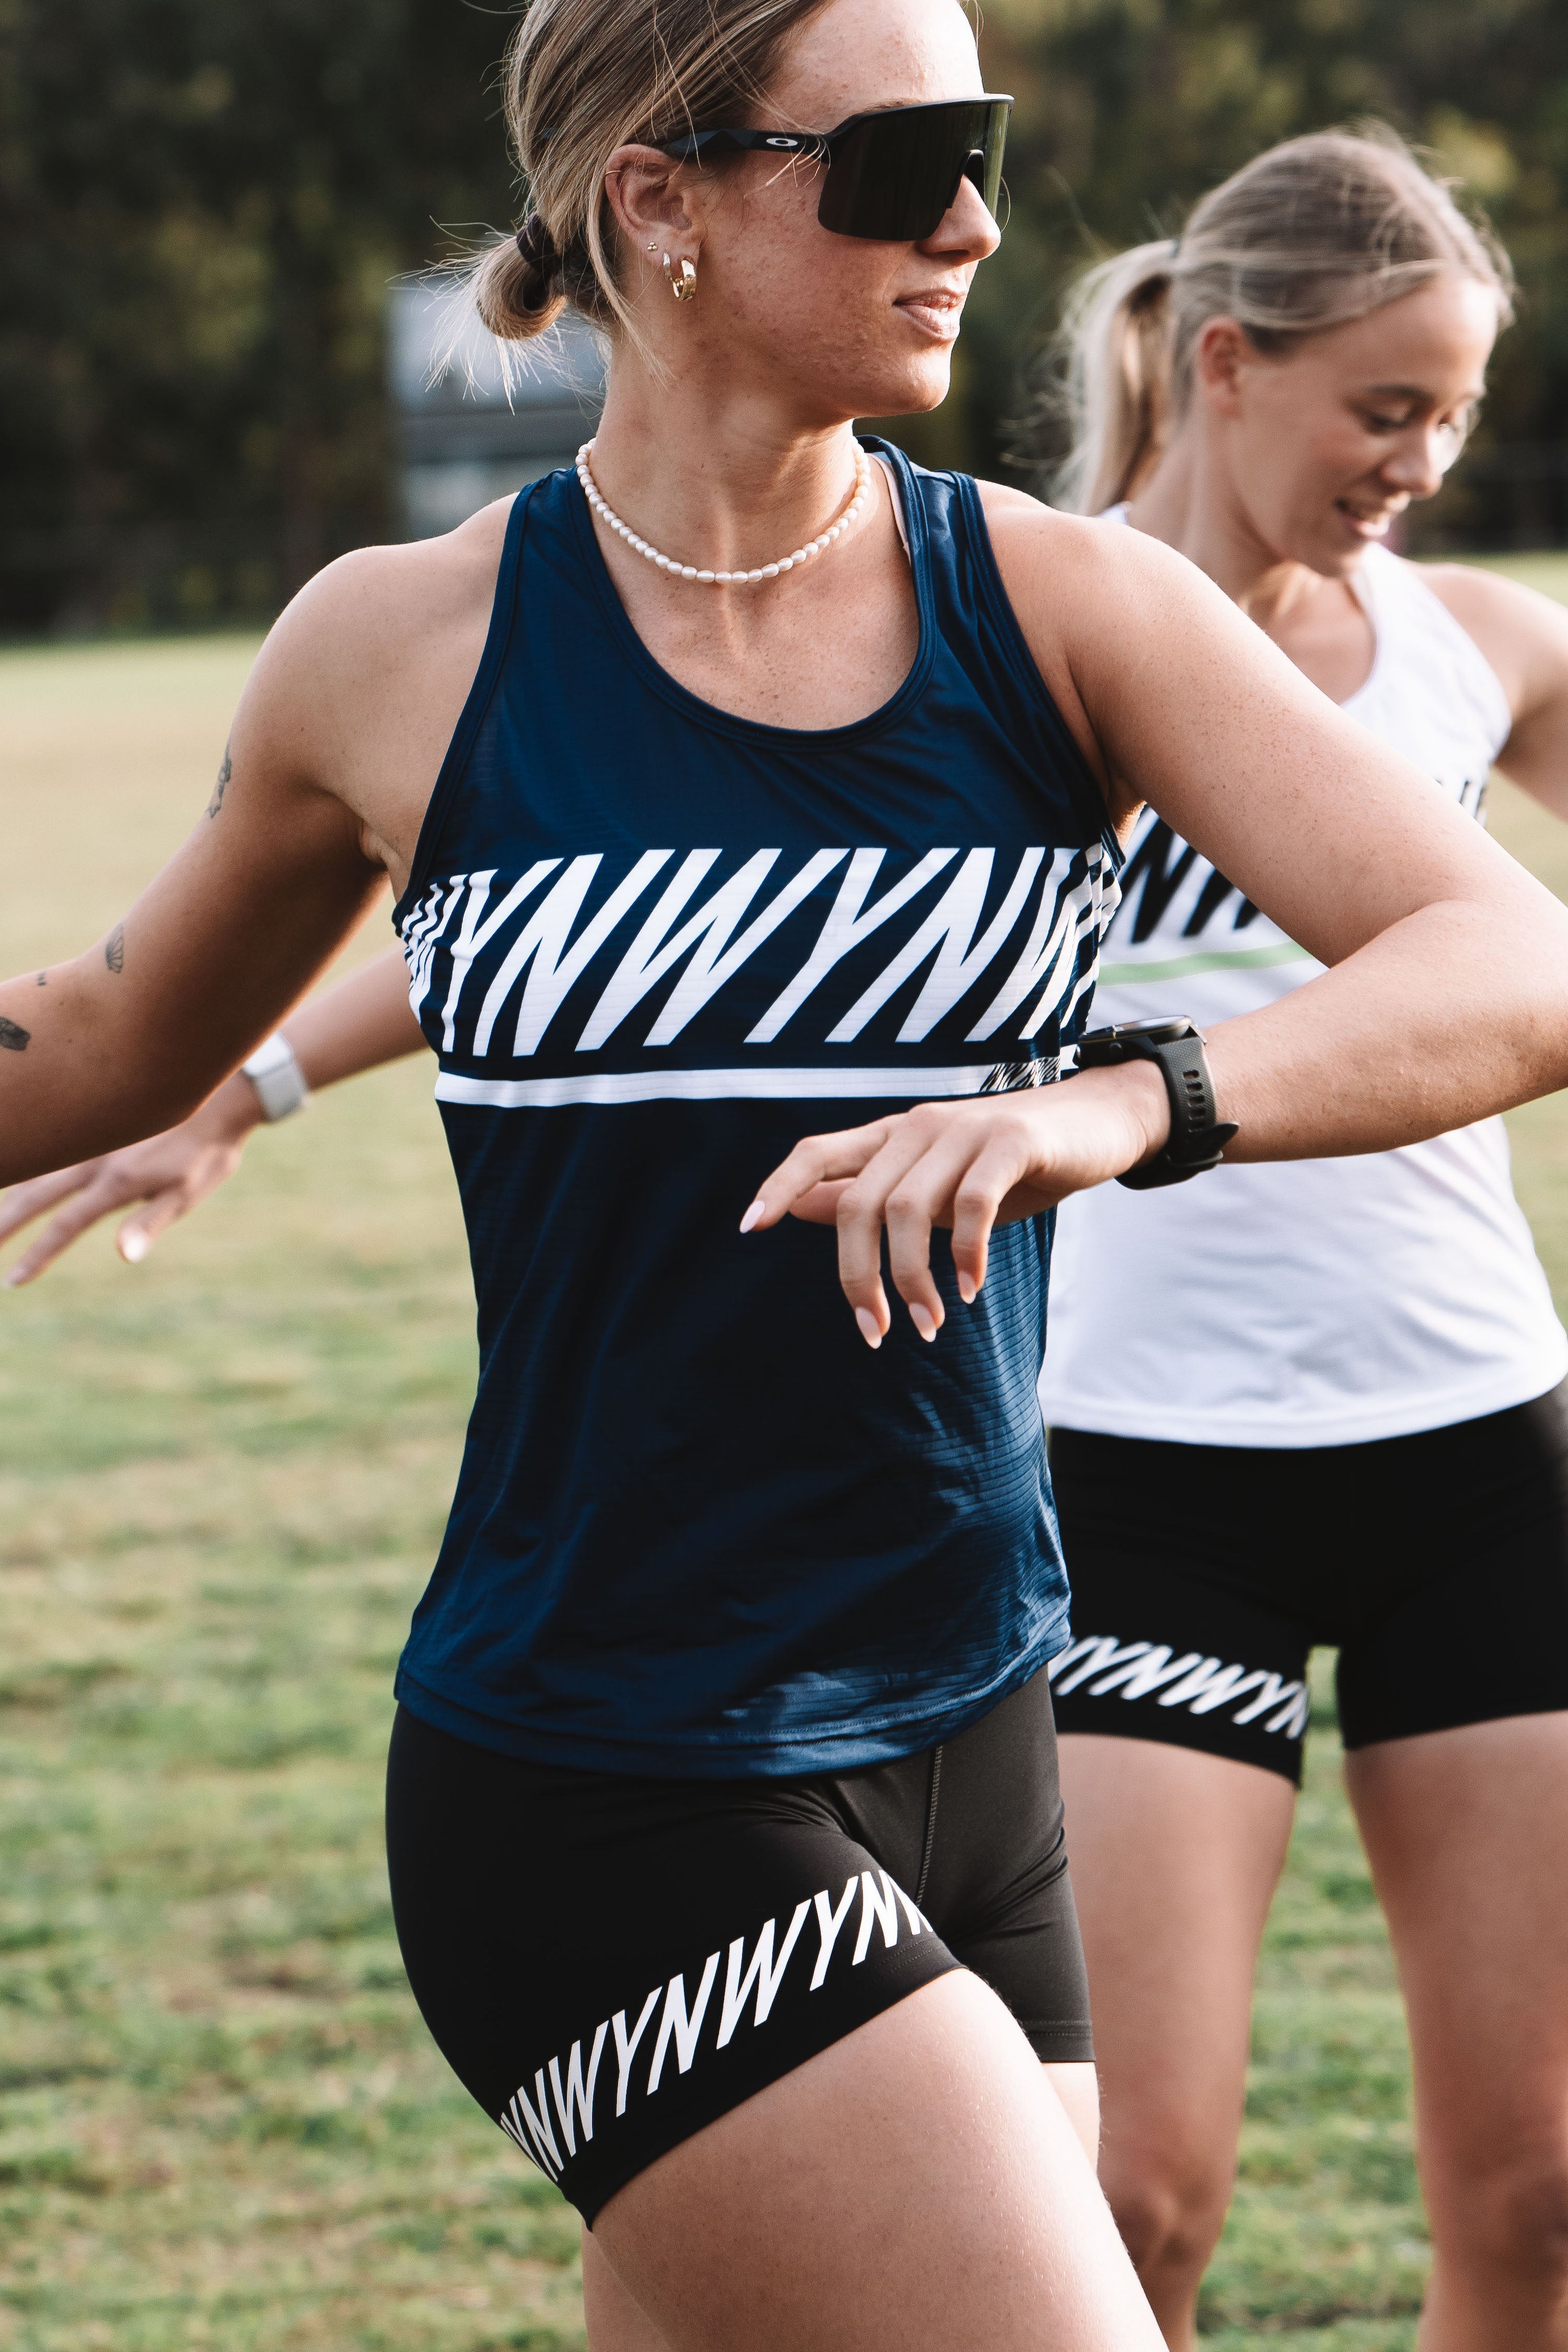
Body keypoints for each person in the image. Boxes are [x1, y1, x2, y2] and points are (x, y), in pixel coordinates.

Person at [5, 3, 1568, 2334]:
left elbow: (1507, 957)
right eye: (903, 156)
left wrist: (1114, 1105)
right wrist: (225, 1089)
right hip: (608, 1770)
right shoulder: (398, 650)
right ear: (662, 197)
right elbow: (107, 1039)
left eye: (989, 148)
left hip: (971, 1730)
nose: (975, 220)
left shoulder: (1055, 608)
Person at [1024, 133, 1568, 2352]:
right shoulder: (1019, 623)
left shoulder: (1479, 651)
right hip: (1141, 1478)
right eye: (1383, 409)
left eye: (1452, 415)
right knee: (1130, 2205)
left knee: (1543, 2202)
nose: (1422, 464)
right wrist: (248, 1071)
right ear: (1226, 365)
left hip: (1478, 1460)